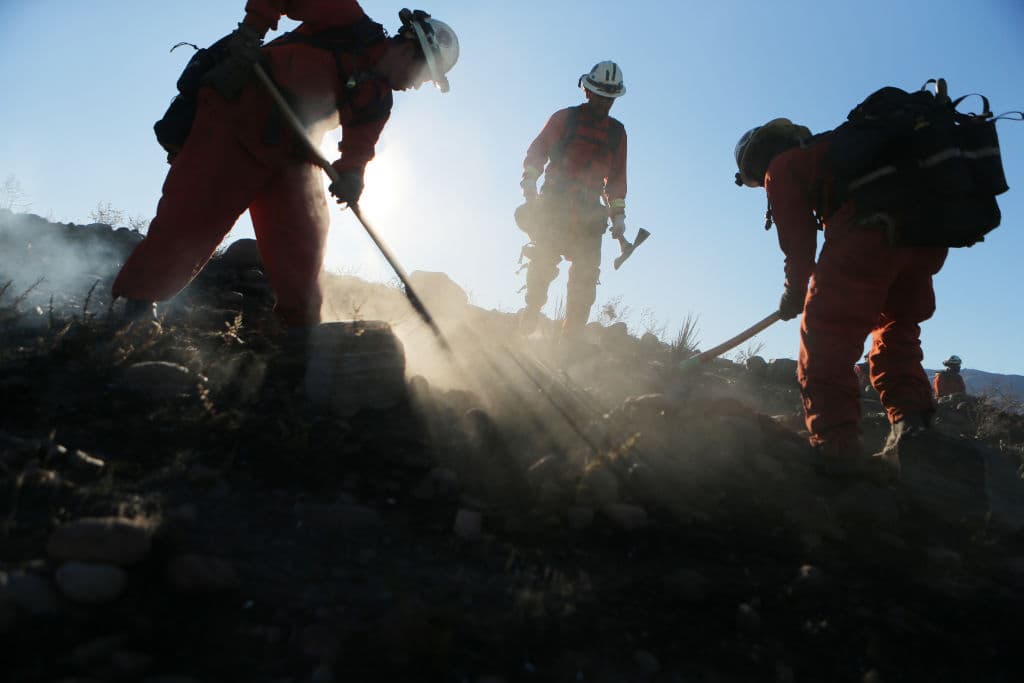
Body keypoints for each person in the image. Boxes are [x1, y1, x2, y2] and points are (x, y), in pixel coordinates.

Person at [112, 3, 458, 328]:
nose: (417, 85)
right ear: (408, 49)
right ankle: (137, 309)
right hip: (236, 121)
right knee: (191, 219)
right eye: (423, 75)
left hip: (293, 155)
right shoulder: (348, 21)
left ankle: (298, 336)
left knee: (303, 247)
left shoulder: (378, 100)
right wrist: (252, 32)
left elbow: (359, 146)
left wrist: (352, 175)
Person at [733, 118, 948, 475]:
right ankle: (914, 433)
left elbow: (799, 245)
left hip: (867, 233)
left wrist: (794, 292)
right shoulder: (834, 152)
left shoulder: (783, 166)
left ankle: (836, 450)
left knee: (825, 336)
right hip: (922, 238)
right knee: (896, 330)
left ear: (755, 162)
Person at [515, 61, 628, 342]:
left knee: (586, 278)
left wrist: (619, 216)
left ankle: (571, 338)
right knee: (543, 260)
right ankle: (532, 311)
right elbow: (538, 151)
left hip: (589, 214)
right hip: (555, 203)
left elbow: (616, 179)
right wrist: (529, 180)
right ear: (587, 91)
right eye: (600, 96)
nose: (605, 103)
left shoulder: (617, 133)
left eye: (610, 98)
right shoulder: (566, 119)